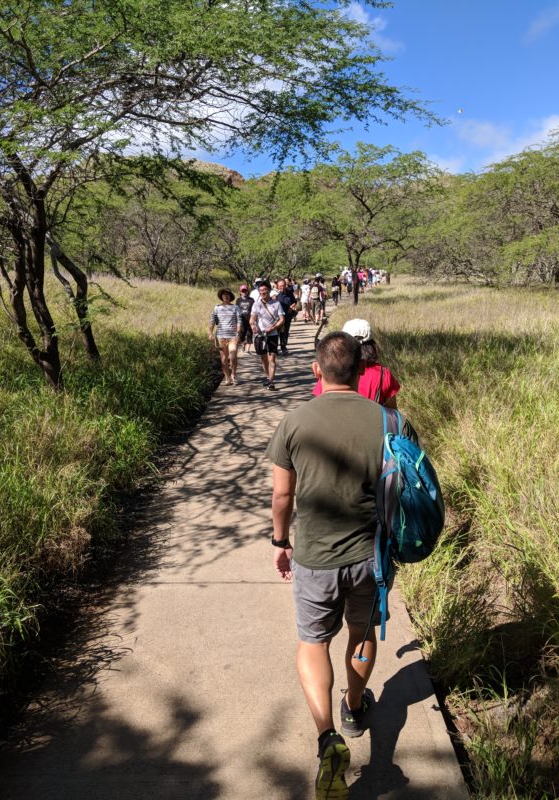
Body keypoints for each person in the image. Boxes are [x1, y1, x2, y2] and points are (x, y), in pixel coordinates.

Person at [266, 331, 417, 800]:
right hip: (370, 556)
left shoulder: (294, 421)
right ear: (360, 370)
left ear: (316, 370)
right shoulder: (392, 421)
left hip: (315, 555)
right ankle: (354, 707)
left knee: (313, 642)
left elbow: (282, 495)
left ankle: (328, 736)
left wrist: (280, 541)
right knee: (361, 633)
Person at [311, 319, 400, 405]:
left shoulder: (334, 369)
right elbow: (392, 412)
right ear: (372, 344)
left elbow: (319, 399)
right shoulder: (383, 374)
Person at [250, 280, 284, 391]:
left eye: (265, 290)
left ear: (269, 290)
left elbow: (282, 319)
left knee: (272, 358)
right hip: (260, 335)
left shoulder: (276, 304)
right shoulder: (256, 304)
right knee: (263, 359)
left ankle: (271, 382)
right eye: (260, 290)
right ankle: (268, 377)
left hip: (272, 334)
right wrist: (253, 326)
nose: (263, 292)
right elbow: (252, 319)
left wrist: (273, 328)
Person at [208, 288, 242, 385]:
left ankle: (234, 375)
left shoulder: (235, 307)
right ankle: (227, 378)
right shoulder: (217, 308)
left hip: (233, 337)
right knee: (223, 359)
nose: (226, 296)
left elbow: (239, 321)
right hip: (221, 337)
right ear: (221, 296)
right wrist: (210, 333)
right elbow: (212, 321)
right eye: (224, 295)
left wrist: (238, 333)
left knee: (233, 356)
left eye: (227, 294)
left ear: (230, 297)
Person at [276, 278, 298, 354]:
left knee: (285, 332)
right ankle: (275, 348)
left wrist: (292, 306)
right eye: (280, 286)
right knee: (277, 332)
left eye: (283, 285)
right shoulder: (276, 296)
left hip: (288, 316)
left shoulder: (289, 293)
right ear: (277, 286)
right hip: (278, 318)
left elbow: (294, 301)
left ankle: (283, 347)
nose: (282, 287)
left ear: (286, 285)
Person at [236, 284, 255, 353]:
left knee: (249, 335)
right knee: (241, 336)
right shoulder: (238, 300)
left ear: (248, 291)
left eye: (245, 291)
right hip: (241, 321)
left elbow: (254, 310)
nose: (244, 292)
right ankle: (243, 345)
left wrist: (254, 319)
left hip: (250, 321)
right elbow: (236, 310)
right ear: (240, 292)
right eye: (242, 291)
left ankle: (247, 350)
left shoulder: (251, 300)